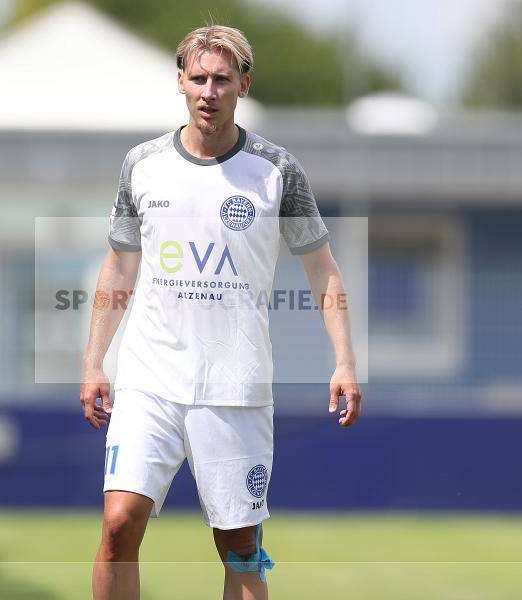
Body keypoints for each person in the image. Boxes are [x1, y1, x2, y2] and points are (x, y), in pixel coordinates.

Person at [80, 24, 362, 600]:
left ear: (244, 86)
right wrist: (94, 361)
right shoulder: (143, 165)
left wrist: (345, 362)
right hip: (150, 378)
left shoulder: (277, 171)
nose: (209, 91)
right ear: (180, 81)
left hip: (235, 385)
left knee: (240, 550)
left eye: (222, 80)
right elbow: (118, 266)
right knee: (117, 524)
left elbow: (322, 268)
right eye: (199, 78)